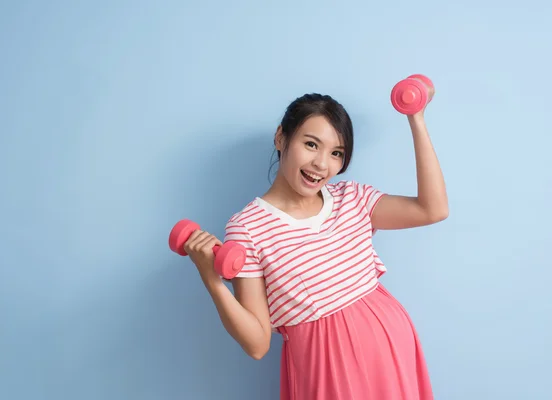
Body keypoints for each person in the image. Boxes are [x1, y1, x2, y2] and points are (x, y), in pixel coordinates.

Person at [183, 88, 448, 399]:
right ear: (281, 138)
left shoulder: (352, 198)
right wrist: (212, 279)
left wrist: (415, 118)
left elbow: (433, 209)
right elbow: (257, 344)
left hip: (391, 352)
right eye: (311, 144)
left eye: (336, 153)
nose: (322, 164)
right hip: (328, 368)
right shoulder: (247, 228)